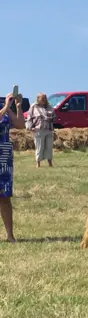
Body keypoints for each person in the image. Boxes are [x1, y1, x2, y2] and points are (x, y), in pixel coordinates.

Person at [0, 93, 26, 243]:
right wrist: (6, 106)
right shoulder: (4, 107)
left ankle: (10, 235)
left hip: (4, 157)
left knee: (4, 197)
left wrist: (17, 106)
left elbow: (20, 125)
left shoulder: (5, 107)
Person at [26, 93, 56, 167]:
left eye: (45, 98)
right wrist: (30, 127)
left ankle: (50, 162)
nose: (44, 100)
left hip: (49, 129)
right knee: (39, 146)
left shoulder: (49, 107)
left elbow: (54, 117)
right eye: (42, 98)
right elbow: (29, 118)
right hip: (38, 129)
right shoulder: (33, 106)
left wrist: (50, 118)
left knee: (49, 147)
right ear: (38, 98)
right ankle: (38, 163)